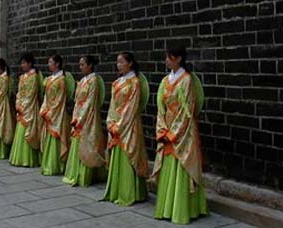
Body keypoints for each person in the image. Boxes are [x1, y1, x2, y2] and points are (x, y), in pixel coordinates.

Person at [152, 46, 208, 224]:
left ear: (178, 59)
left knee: (182, 165)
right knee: (170, 166)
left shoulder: (187, 80)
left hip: (182, 132)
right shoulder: (164, 81)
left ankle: (183, 209)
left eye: (169, 57)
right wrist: (162, 128)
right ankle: (168, 206)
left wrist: (173, 133)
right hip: (167, 128)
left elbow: (187, 110)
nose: (166, 60)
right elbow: (160, 108)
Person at [103, 52, 150, 206]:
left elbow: (131, 107)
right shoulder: (116, 83)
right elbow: (112, 106)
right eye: (117, 62)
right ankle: (117, 190)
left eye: (122, 62)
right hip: (116, 123)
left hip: (128, 124)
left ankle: (131, 192)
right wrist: (110, 122)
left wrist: (120, 125)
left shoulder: (134, 82)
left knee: (130, 154)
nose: (119, 65)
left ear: (130, 63)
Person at [62, 55, 106, 187]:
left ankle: (86, 175)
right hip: (79, 116)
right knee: (77, 143)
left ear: (90, 65)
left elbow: (90, 101)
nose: (80, 67)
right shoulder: (81, 81)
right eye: (80, 64)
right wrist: (75, 116)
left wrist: (80, 119)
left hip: (89, 117)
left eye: (83, 64)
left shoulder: (94, 80)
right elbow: (77, 101)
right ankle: (75, 173)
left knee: (88, 144)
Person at [39, 55, 75, 176]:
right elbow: (46, 97)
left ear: (57, 64)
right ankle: (48, 164)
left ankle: (56, 165)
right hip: (49, 111)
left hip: (57, 113)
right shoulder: (49, 79)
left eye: (50, 62)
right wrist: (44, 109)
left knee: (57, 137)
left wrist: (50, 112)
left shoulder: (61, 80)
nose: (48, 64)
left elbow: (60, 99)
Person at [9, 52, 44, 167]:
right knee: (21, 131)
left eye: (24, 63)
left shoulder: (34, 76)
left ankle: (29, 159)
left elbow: (31, 94)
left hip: (30, 107)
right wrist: (18, 104)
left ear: (30, 63)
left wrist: (22, 106)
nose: (22, 65)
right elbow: (19, 92)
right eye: (21, 63)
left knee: (28, 131)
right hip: (22, 107)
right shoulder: (23, 77)